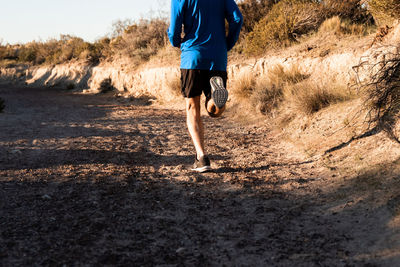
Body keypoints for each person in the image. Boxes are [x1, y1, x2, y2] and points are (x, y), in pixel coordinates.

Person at [167, 0, 243, 172]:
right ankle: (215, 100)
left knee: (192, 107)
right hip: (218, 56)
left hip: (192, 57)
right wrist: (227, 44)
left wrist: (174, 41)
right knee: (213, 111)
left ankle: (201, 157)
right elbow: (237, 18)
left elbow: (174, 28)